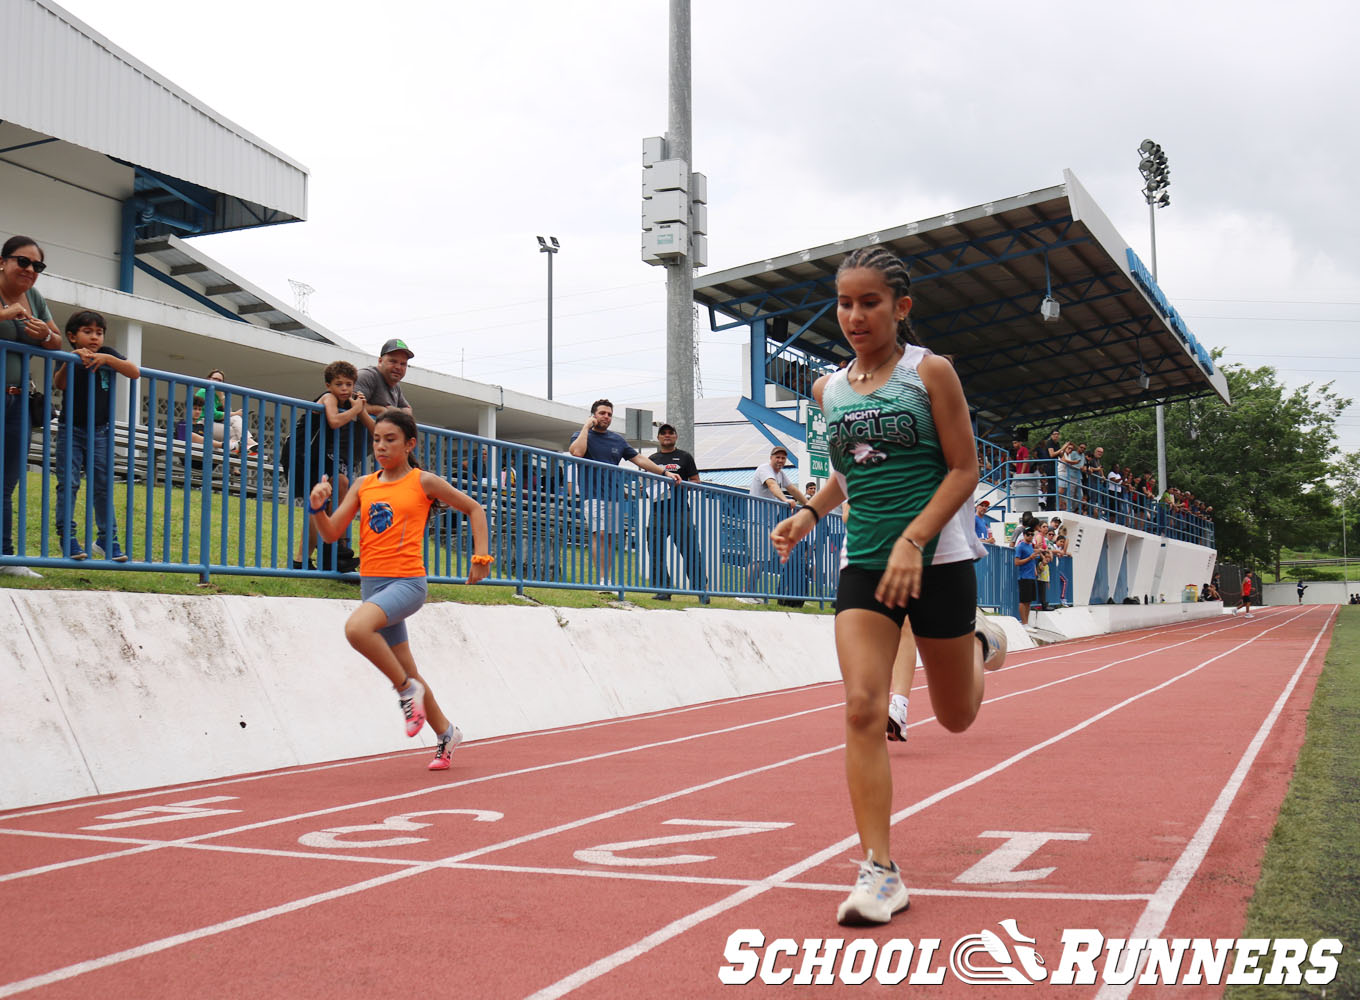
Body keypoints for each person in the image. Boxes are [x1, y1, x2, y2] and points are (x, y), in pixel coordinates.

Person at [768, 245, 1006, 927]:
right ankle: (880, 869)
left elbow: (964, 469)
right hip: (865, 563)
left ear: (901, 308)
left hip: (941, 562)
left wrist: (916, 540)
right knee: (862, 709)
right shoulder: (828, 390)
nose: (854, 315)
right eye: (844, 303)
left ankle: (977, 646)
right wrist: (810, 512)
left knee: (957, 715)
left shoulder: (931, 373)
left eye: (869, 302)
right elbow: (851, 469)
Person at [308, 409, 491, 770]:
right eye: (377, 439)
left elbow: (474, 508)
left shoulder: (424, 482)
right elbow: (330, 533)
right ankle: (446, 733)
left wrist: (481, 558)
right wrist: (317, 507)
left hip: (407, 582)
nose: (381, 446)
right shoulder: (363, 484)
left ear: (410, 444)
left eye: (390, 440)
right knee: (408, 668)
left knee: (357, 629)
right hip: (372, 585)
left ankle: (406, 692)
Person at [51, 310, 140, 562]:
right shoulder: (69, 357)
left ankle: (106, 539)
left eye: (98, 333)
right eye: (87, 332)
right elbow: (61, 384)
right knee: (68, 484)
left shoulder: (108, 353)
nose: (94, 338)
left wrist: (108, 360)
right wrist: (71, 360)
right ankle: (67, 538)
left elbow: (133, 372)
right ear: (72, 336)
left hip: (100, 432)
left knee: (102, 487)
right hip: (72, 429)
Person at [1, 236, 64, 578]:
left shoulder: (35, 298)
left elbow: (57, 341)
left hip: (18, 399)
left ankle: (5, 557)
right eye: (22, 262)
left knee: (7, 481)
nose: (29, 270)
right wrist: (7, 313)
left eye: (36, 266)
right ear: (3, 262)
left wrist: (42, 334)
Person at [568, 398, 680, 588]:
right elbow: (577, 453)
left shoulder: (617, 440)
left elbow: (639, 459)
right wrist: (587, 426)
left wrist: (664, 472)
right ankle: (602, 580)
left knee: (611, 537)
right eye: (602, 413)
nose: (606, 417)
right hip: (592, 495)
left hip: (614, 495)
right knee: (600, 534)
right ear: (593, 415)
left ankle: (608, 579)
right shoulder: (580, 435)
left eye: (609, 414)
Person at [288, 361, 375, 570]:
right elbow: (334, 421)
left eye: (348, 384)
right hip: (303, 452)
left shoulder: (350, 402)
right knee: (317, 501)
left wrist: (361, 408)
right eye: (339, 384)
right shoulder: (328, 397)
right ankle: (301, 559)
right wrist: (355, 410)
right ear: (329, 385)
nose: (344, 389)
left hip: (324, 456)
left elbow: (375, 429)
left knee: (342, 483)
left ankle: (333, 549)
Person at [645, 422, 704, 600]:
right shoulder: (652, 459)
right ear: (658, 437)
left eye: (671, 433)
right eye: (664, 433)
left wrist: (681, 484)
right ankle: (663, 590)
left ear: (676, 436)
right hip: (658, 511)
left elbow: (696, 481)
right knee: (656, 551)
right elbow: (645, 484)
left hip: (680, 511)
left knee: (691, 550)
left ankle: (700, 589)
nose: (667, 435)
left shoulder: (685, 457)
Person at [742, 444, 809, 602]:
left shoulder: (781, 474)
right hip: (756, 520)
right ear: (771, 458)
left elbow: (792, 489)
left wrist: (809, 505)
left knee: (764, 558)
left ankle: (751, 593)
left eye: (783, 458)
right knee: (759, 558)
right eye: (777, 457)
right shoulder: (765, 469)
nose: (780, 460)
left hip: (768, 522)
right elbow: (772, 486)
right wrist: (785, 500)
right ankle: (746, 593)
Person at [356, 339, 415, 419]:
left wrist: (392, 411)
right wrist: (380, 410)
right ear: (380, 361)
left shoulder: (396, 386)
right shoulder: (367, 376)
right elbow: (351, 403)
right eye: (393, 361)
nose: (398, 367)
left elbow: (408, 411)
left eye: (403, 364)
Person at [1014, 524, 1039, 624]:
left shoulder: (1030, 546)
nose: (1030, 536)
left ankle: (1026, 622)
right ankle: (1024, 623)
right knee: (1023, 601)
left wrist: (1035, 570)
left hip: (1031, 576)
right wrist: (1030, 558)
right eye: (1028, 534)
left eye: (1032, 534)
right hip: (1024, 576)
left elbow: (1032, 560)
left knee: (1029, 601)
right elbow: (1016, 562)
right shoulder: (1020, 546)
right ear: (1024, 535)